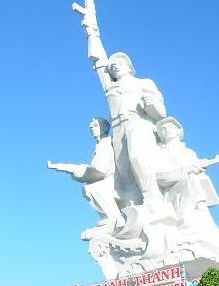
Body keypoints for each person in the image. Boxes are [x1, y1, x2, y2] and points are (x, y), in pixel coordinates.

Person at [77, 0, 166, 209]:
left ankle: (153, 198)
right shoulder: (111, 87)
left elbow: (161, 114)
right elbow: (98, 61)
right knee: (124, 176)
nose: (114, 67)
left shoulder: (145, 83)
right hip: (118, 129)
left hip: (138, 124)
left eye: (119, 64)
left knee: (138, 157)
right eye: (112, 65)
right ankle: (134, 210)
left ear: (129, 66)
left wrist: (152, 105)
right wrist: (91, 29)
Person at [48, 117, 124, 229]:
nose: (91, 128)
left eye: (95, 125)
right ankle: (110, 218)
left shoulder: (106, 143)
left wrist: (77, 171)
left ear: (104, 128)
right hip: (107, 180)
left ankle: (115, 218)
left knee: (93, 189)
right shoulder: (100, 145)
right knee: (89, 189)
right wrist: (61, 167)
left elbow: (100, 169)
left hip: (114, 182)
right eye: (91, 126)